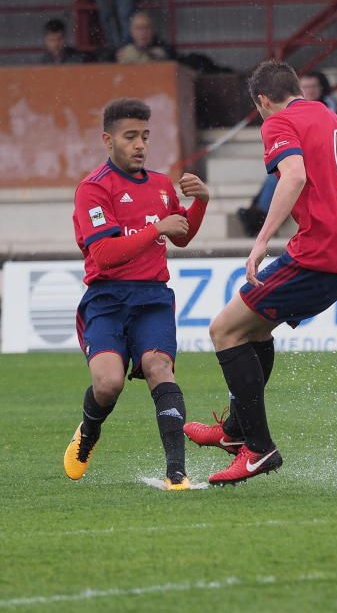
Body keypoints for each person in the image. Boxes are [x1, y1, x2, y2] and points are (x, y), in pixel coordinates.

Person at [183, 60, 337, 485]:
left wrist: (261, 241)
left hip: (317, 256)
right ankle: (234, 432)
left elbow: (294, 175)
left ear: (262, 101)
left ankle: (258, 450)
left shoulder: (279, 123)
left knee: (224, 331)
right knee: (256, 331)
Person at [63, 98, 210, 490]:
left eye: (145, 136)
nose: (140, 145)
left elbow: (182, 235)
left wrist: (201, 203)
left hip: (152, 299)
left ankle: (176, 472)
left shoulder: (162, 186)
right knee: (107, 384)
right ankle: (89, 432)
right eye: (130, 137)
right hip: (107, 300)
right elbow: (105, 255)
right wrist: (156, 228)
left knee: (160, 368)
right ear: (108, 140)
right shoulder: (93, 189)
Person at [237, 69, 337, 237]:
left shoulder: (326, 109)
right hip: (310, 164)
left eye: (313, 86)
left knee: (286, 173)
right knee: (278, 172)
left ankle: (261, 218)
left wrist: (262, 240)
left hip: (322, 164)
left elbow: (296, 175)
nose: (309, 91)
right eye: (306, 86)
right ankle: (257, 211)